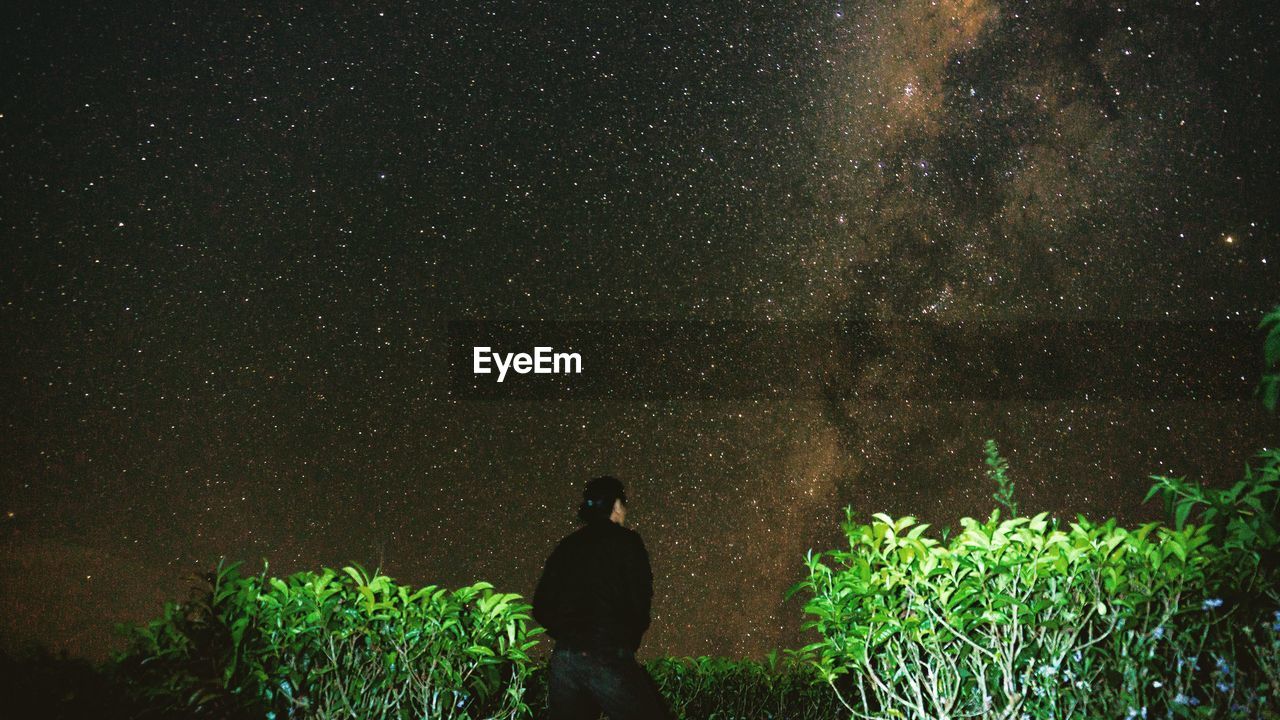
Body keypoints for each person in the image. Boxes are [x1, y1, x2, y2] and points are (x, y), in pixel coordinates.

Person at [532, 476, 677, 720]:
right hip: (606, 650)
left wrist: (570, 634)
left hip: (565, 659)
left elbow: (540, 606)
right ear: (616, 505)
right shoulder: (628, 542)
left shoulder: (566, 547)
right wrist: (620, 640)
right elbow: (640, 601)